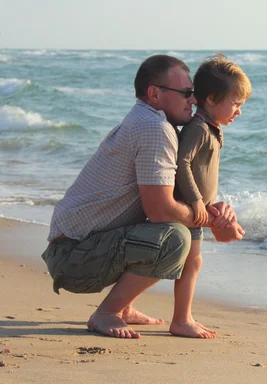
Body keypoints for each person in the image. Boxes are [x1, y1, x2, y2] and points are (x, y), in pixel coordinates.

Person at [41, 54, 243, 340]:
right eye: (187, 93)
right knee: (174, 238)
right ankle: (106, 313)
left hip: (74, 248)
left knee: (165, 230)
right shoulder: (154, 129)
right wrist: (214, 222)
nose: (194, 100)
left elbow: (168, 197)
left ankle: (124, 307)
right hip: (73, 258)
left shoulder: (151, 121)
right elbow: (161, 211)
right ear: (154, 93)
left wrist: (214, 210)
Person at [173, 54, 251, 338]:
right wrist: (195, 201)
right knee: (190, 263)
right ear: (211, 98)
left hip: (198, 210)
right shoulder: (198, 129)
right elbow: (181, 162)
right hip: (187, 209)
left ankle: (181, 317)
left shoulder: (211, 128)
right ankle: (181, 320)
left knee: (192, 262)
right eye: (236, 103)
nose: (239, 111)